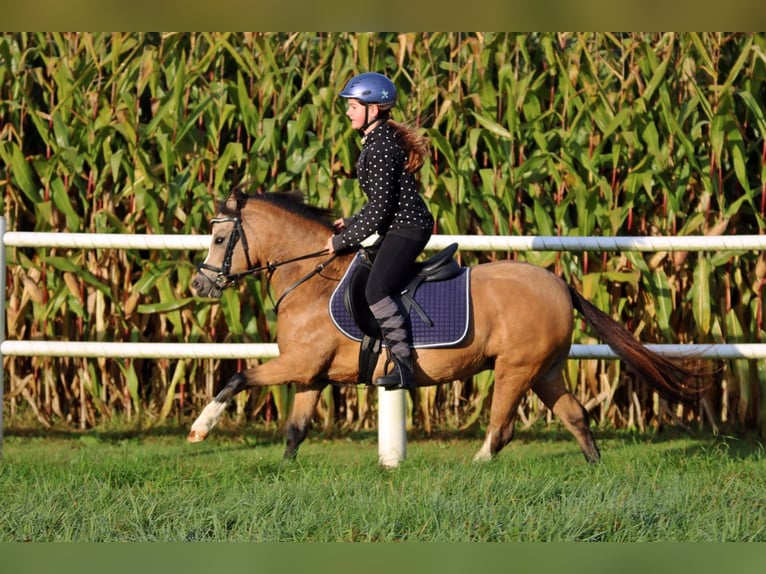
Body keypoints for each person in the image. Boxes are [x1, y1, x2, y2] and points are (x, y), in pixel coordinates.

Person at [324, 72, 434, 391]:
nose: (348, 112)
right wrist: (352, 221)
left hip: (407, 228)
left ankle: (404, 366)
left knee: (376, 290)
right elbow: (378, 202)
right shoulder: (377, 139)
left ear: (373, 110)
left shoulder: (382, 145)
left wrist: (342, 241)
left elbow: (381, 211)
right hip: (397, 225)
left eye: (354, 106)